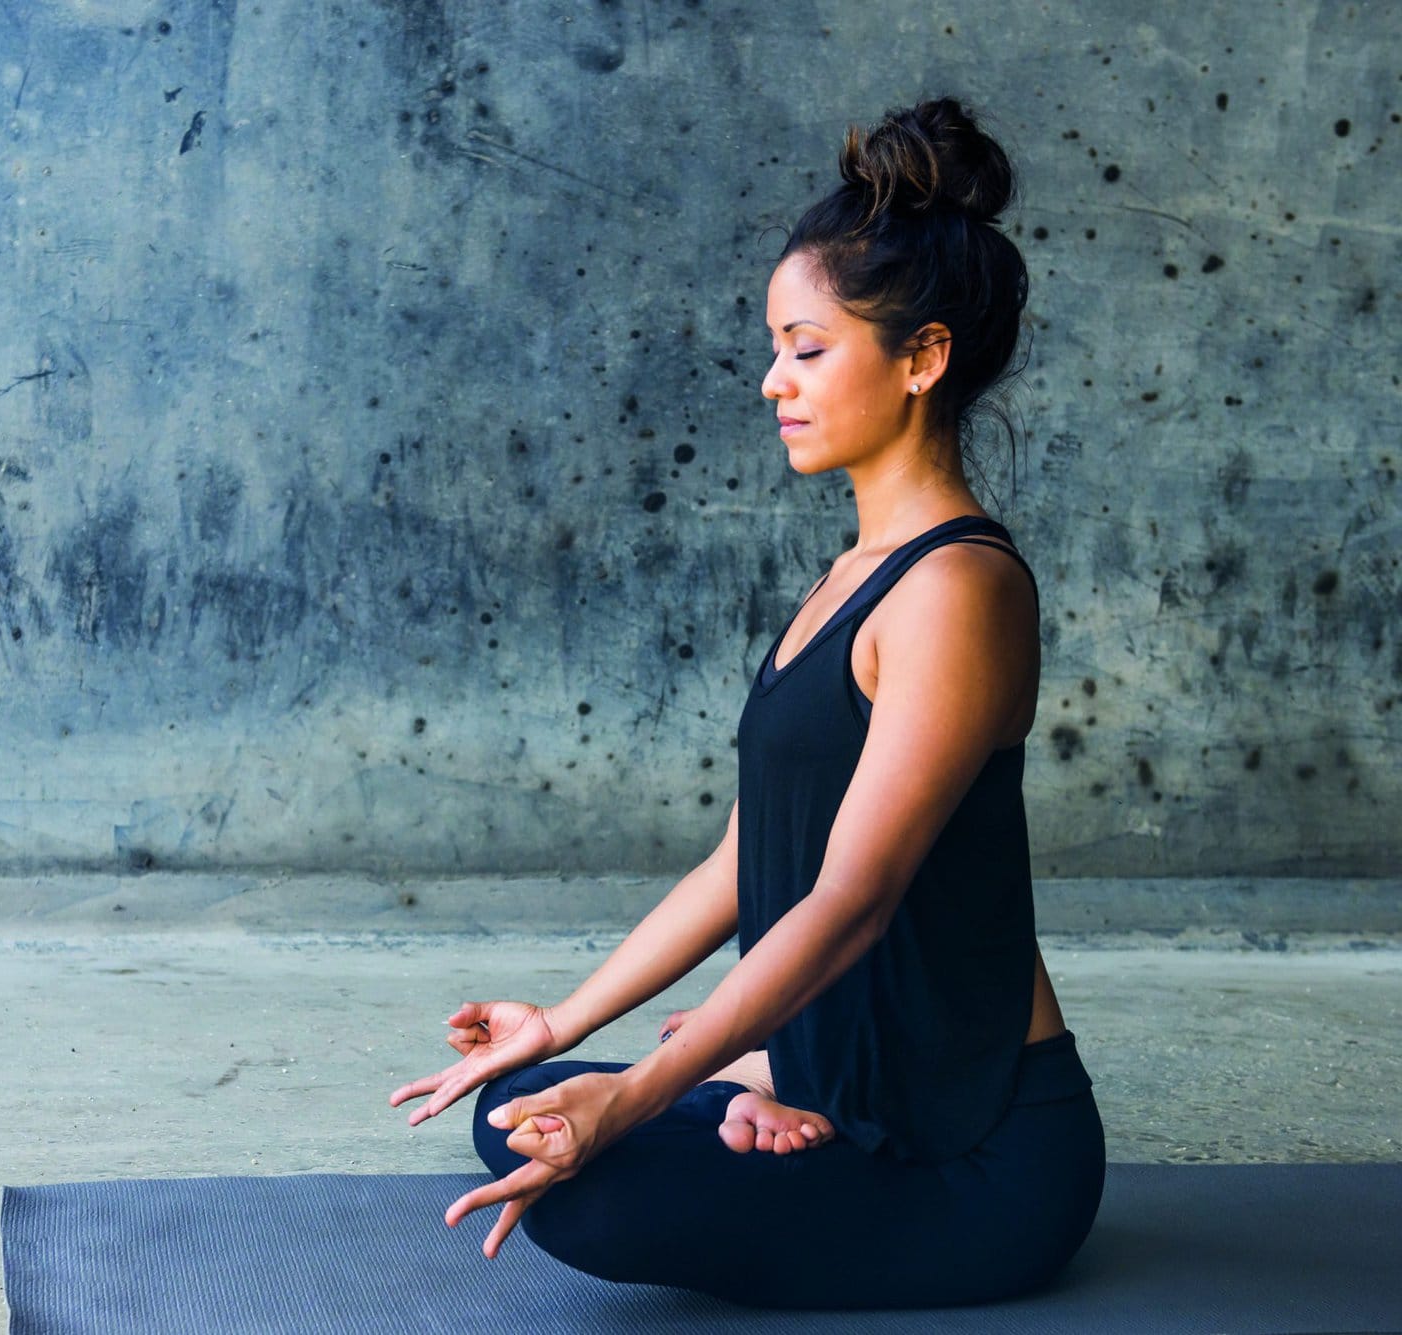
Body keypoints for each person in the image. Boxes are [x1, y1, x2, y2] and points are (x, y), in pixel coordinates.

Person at [388, 95, 1106, 1310]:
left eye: (807, 349)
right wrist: (559, 1031)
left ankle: (796, 1101)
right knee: (520, 1116)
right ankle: (791, 1090)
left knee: (595, 1178)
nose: (772, 381)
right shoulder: (847, 580)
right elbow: (742, 862)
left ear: (922, 359)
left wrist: (642, 1094)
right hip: (856, 1077)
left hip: (978, 1153)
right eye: (773, 347)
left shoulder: (956, 591)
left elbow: (851, 900)